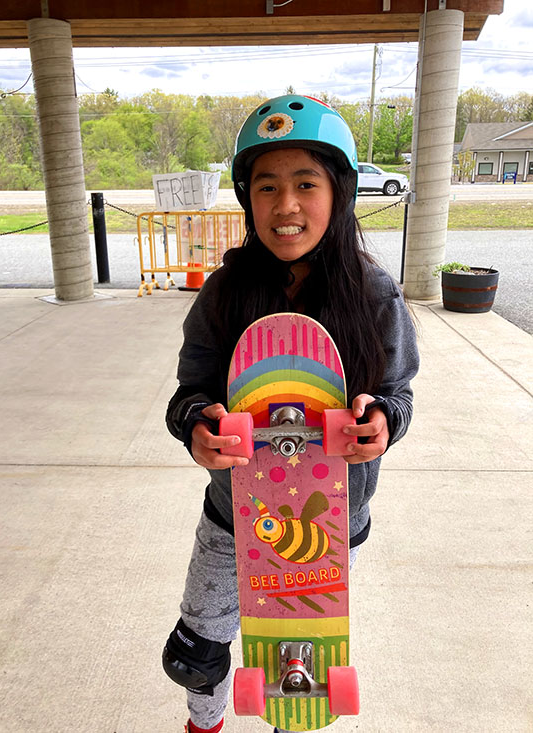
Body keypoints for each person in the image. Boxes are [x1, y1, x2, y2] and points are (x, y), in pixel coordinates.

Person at [162, 94, 420, 733]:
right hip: (234, 519)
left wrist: (381, 421)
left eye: (306, 183)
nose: (286, 206)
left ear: (339, 192)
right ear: (248, 198)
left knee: (297, 670)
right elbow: (188, 391)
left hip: (327, 524)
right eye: (266, 187)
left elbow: (400, 393)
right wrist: (197, 424)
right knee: (193, 658)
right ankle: (205, 723)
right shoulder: (226, 291)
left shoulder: (374, 293)